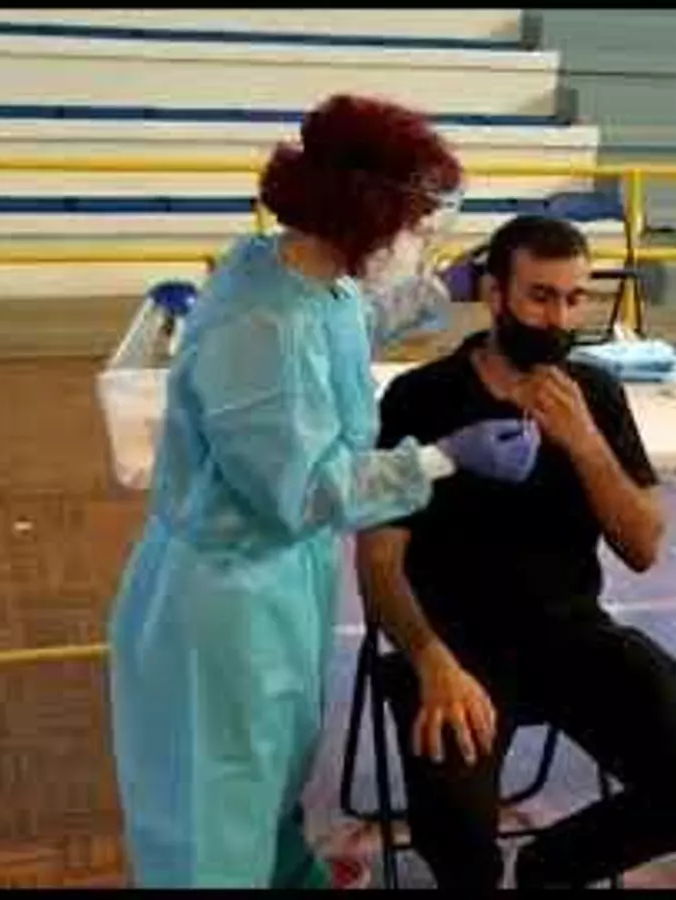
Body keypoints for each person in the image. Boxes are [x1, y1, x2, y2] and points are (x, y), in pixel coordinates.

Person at [107, 95, 546, 889]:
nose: (419, 240)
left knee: (269, 774)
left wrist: (435, 290)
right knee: (216, 801)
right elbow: (307, 490)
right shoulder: (263, 329)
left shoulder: (295, 269)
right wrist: (444, 458)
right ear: (366, 214)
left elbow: (345, 322)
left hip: (280, 580)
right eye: (415, 224)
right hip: (226, 596)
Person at [357, 215, 676, 889]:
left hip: (571, 635)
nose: (558, 318)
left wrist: (585, 442)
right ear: (494, 294)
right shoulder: (423, 396)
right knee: (460, 849)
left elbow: (643, 546)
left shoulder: (596, 393)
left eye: (573, 298)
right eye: (539, 296)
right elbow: (377, 561)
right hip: (455, 650)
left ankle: (547, 872)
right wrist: (430, 660)